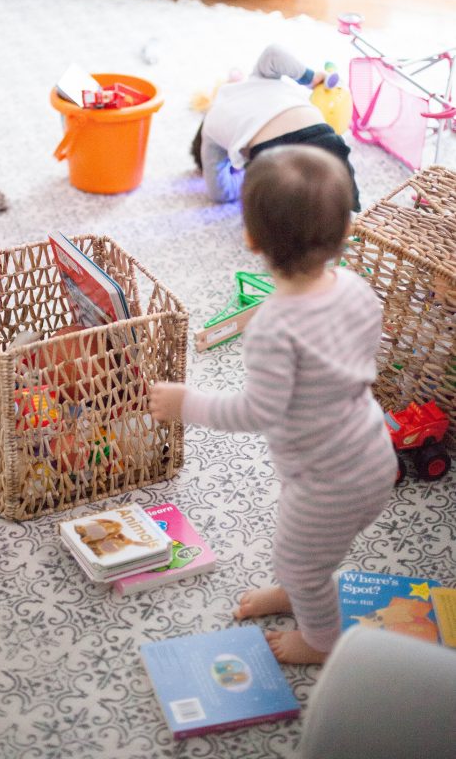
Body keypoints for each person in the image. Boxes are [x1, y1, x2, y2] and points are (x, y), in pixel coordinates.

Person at [150, 146, 396, 665]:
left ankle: (319, 640)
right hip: (370, 452)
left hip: (329, 479)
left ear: (251, 239)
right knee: (307, 555)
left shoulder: (272, 329)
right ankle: (301, 589)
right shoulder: (357, 288)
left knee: (302, 560)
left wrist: (184, 403)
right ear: (344, 234)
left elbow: (256, 412)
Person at [191, 43, 361, 210]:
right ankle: (349, 222)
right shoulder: (258, 78)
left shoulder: (211, 129)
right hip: (318, 130)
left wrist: (243, 173)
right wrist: (311, 77)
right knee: (343, 188)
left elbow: (220, 191)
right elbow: (274, 52)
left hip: (271, 153)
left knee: (285, 212)